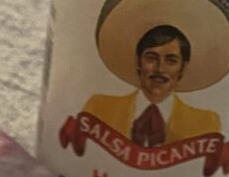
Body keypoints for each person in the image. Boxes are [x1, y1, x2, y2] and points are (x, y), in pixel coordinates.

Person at [83, 25, 221, 147]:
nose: (160, 69)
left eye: (171, 61)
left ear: (183, 68)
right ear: (138, 62)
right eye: (151, 58)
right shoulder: (98, 108)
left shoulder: (206, 124)